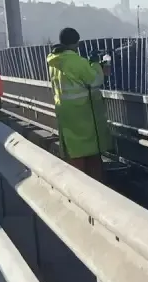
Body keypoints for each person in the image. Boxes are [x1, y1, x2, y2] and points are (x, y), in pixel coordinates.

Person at [48, 27, 112, 180]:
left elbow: (75, 80)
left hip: (65, 113)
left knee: (74, 153)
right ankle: (93, 185)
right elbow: (95, 80)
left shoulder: (55, 61)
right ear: (75, 43)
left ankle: (76, 186)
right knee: (89, 152)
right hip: (83, 114)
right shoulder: (76, 61)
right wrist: (95, 64)